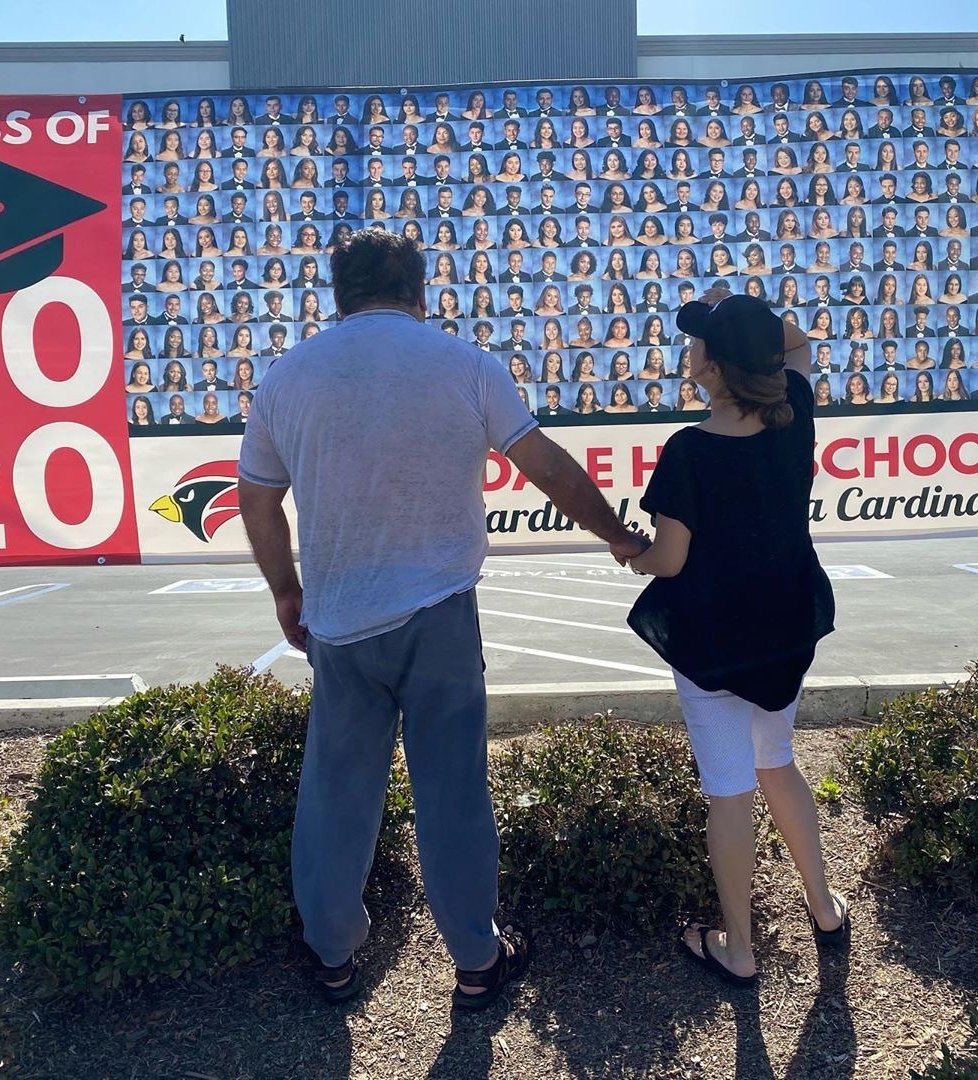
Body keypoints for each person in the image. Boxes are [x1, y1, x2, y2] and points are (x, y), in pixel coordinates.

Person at [237, 229, 645, 1008]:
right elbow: (546, 466)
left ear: (340, 294)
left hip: (338, 620)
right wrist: (619, 536)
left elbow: (257, 498)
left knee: (336, 795)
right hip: (441, 613)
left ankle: (331, 954)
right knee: (453, 793)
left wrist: (286, 591)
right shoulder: (466, 364)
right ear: (420, 292)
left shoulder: (288, 376)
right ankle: (475, 961)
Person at [624, 287, 840, 987]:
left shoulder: (689, 450)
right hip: (785, 629)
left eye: (700, 343)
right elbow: (798, 344)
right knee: (777, 759)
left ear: (711, 369)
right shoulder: (794, 412)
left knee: (729, 789)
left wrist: (632, 553)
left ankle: (739, 949)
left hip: (714, 641)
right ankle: (824, 909)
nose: (690, 352)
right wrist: (742, 312)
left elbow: (669, 560)